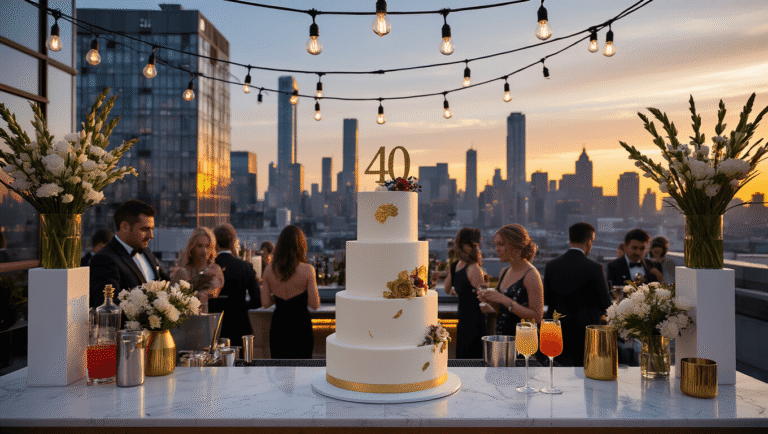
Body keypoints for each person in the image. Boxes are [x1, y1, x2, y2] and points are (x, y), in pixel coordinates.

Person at [543, 222, 612, 367]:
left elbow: (547, 298)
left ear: (570, 240)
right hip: (586, 333)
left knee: (558, 374)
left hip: (558, 331)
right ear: (589, 242)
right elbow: (605, 303)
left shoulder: (551, 265)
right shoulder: (595, 268)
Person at [89, 199, 170, 307]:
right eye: (145, 229)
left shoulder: (146, 251)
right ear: (124, 226)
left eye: (151, 229)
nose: (151, 235)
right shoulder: (104, 259)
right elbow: (110, 306)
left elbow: (165, 283)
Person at [260, 225, 321, 359]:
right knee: (302, 370)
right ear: (301, 245)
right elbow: (315, 304)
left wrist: (278, 297)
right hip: (301, 327)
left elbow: (265, 304)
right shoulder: (308, 270)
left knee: (280, 372)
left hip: (279, 326)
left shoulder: (269, 270)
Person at [478, 224, 544, 334]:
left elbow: (537, 317)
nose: (497, 249)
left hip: (523, 343)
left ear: (516, 246)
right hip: (502, 340)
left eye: (501, 244)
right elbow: (503, 310)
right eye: (496, 244)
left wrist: (503, 299)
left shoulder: (531, 275)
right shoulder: (504, 271)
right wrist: (489, 301)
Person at [213, 224, 261, 343]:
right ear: (233, 242)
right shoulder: (245, 267)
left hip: (215, 327)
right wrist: (242, 305)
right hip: (240, 326)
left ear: (215, 243)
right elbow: (257, 300)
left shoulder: (211, 267)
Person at [443, 227, 486, 359]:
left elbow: (482, 297)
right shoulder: (464, 266)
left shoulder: (468, 268)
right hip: (465, 320)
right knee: (465, 358)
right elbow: (448, 289)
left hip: (472, 322)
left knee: (469, 358)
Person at [171, 227, 225, 313]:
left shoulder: (215, 270)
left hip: (207, 319)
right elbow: (174, 298)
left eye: (207, 246)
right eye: (199, 246)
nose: (204, 250)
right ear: (192, 248)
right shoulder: (183, 270)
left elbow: (213, 291)